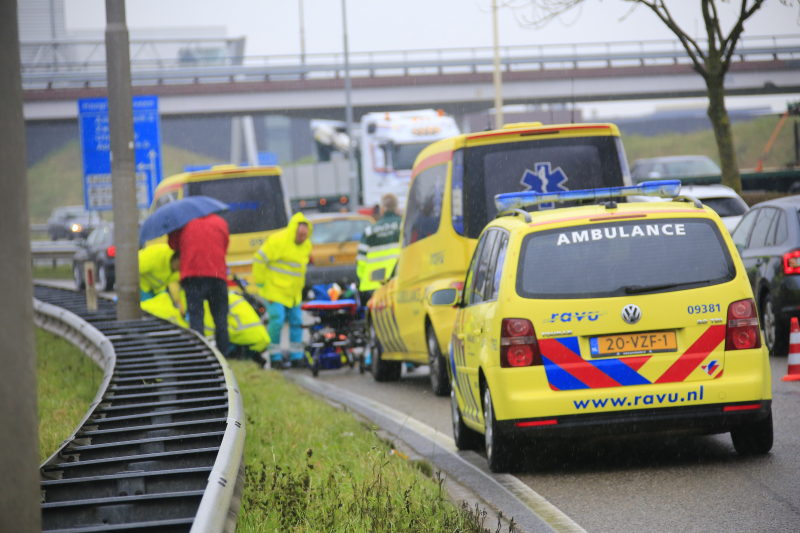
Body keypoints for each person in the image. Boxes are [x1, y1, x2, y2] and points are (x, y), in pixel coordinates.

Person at [253, 212, 312, 367]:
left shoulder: (306, 245)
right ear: (293, 231)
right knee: (277, 322)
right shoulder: (277, 241)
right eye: (300, 235)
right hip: (275, 290)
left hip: (293, 293)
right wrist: (260, 283)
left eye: (305, 235)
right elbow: (259, 260)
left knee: (296, 322)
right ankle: (275, 357)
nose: (302, 238)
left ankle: (297, 356)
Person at [168, 213, 230, 356]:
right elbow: (225, 245)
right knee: (221, 319)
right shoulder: (220, 222)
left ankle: (200, 354)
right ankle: (224, 354)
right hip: (217, 275)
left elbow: (173, 245)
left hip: (193, 276)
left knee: (196, 318)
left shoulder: (185, 222)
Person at [356, 193, 402, 302]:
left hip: (371, 288)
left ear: (382, 209)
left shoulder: (369, 231)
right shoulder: (404, 226)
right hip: (397, 285)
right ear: (397, 208)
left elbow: (361, 262)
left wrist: (364, 280)